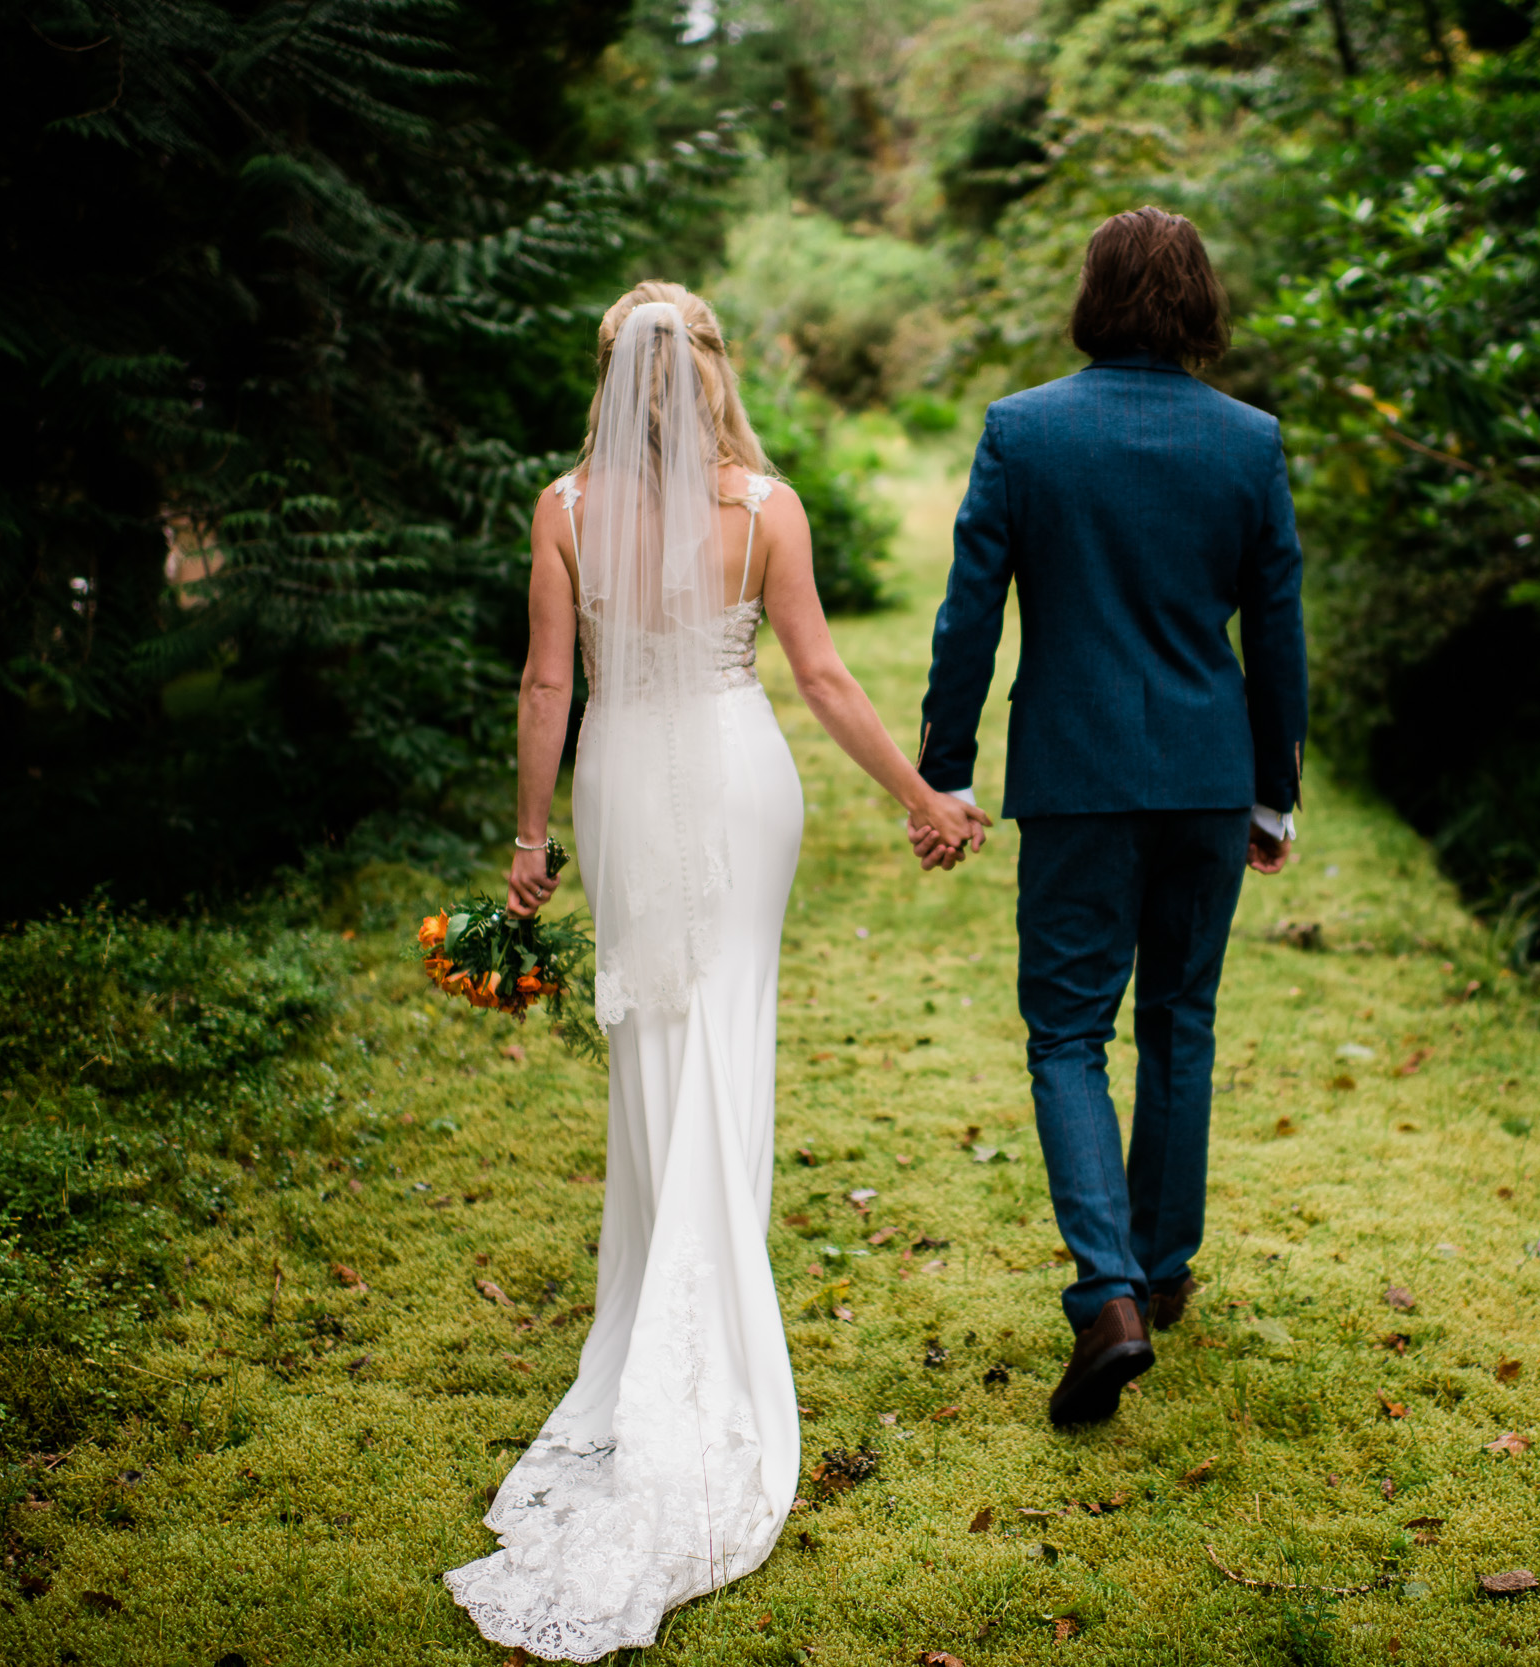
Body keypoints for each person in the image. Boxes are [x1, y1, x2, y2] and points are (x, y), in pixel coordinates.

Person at [442, 282, 987, 1661]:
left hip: (624, 782)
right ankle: (709, 1317)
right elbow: (822, 677)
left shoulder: (562, 507)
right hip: (742, 780)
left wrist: (527, 840)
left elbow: (546, 688)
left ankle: (664, 1318)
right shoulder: (765, 506)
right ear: (713, 373)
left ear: (613, 380)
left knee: (660, 1042)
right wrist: (922, 795)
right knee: (721, 1034)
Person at [909, 207, 1307, 1427]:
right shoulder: (1249, 441)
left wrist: (951, 763)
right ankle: (1163, 1266)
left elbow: (968, 610)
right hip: (1203, 770)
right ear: (1199, 305)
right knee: (1179, 1019)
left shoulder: (1024, 431)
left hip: (1075, 776)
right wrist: (1274, 788)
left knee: (1066, 1033)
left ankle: (1109, 1297)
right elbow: (1277, 628)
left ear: (1092, 297)